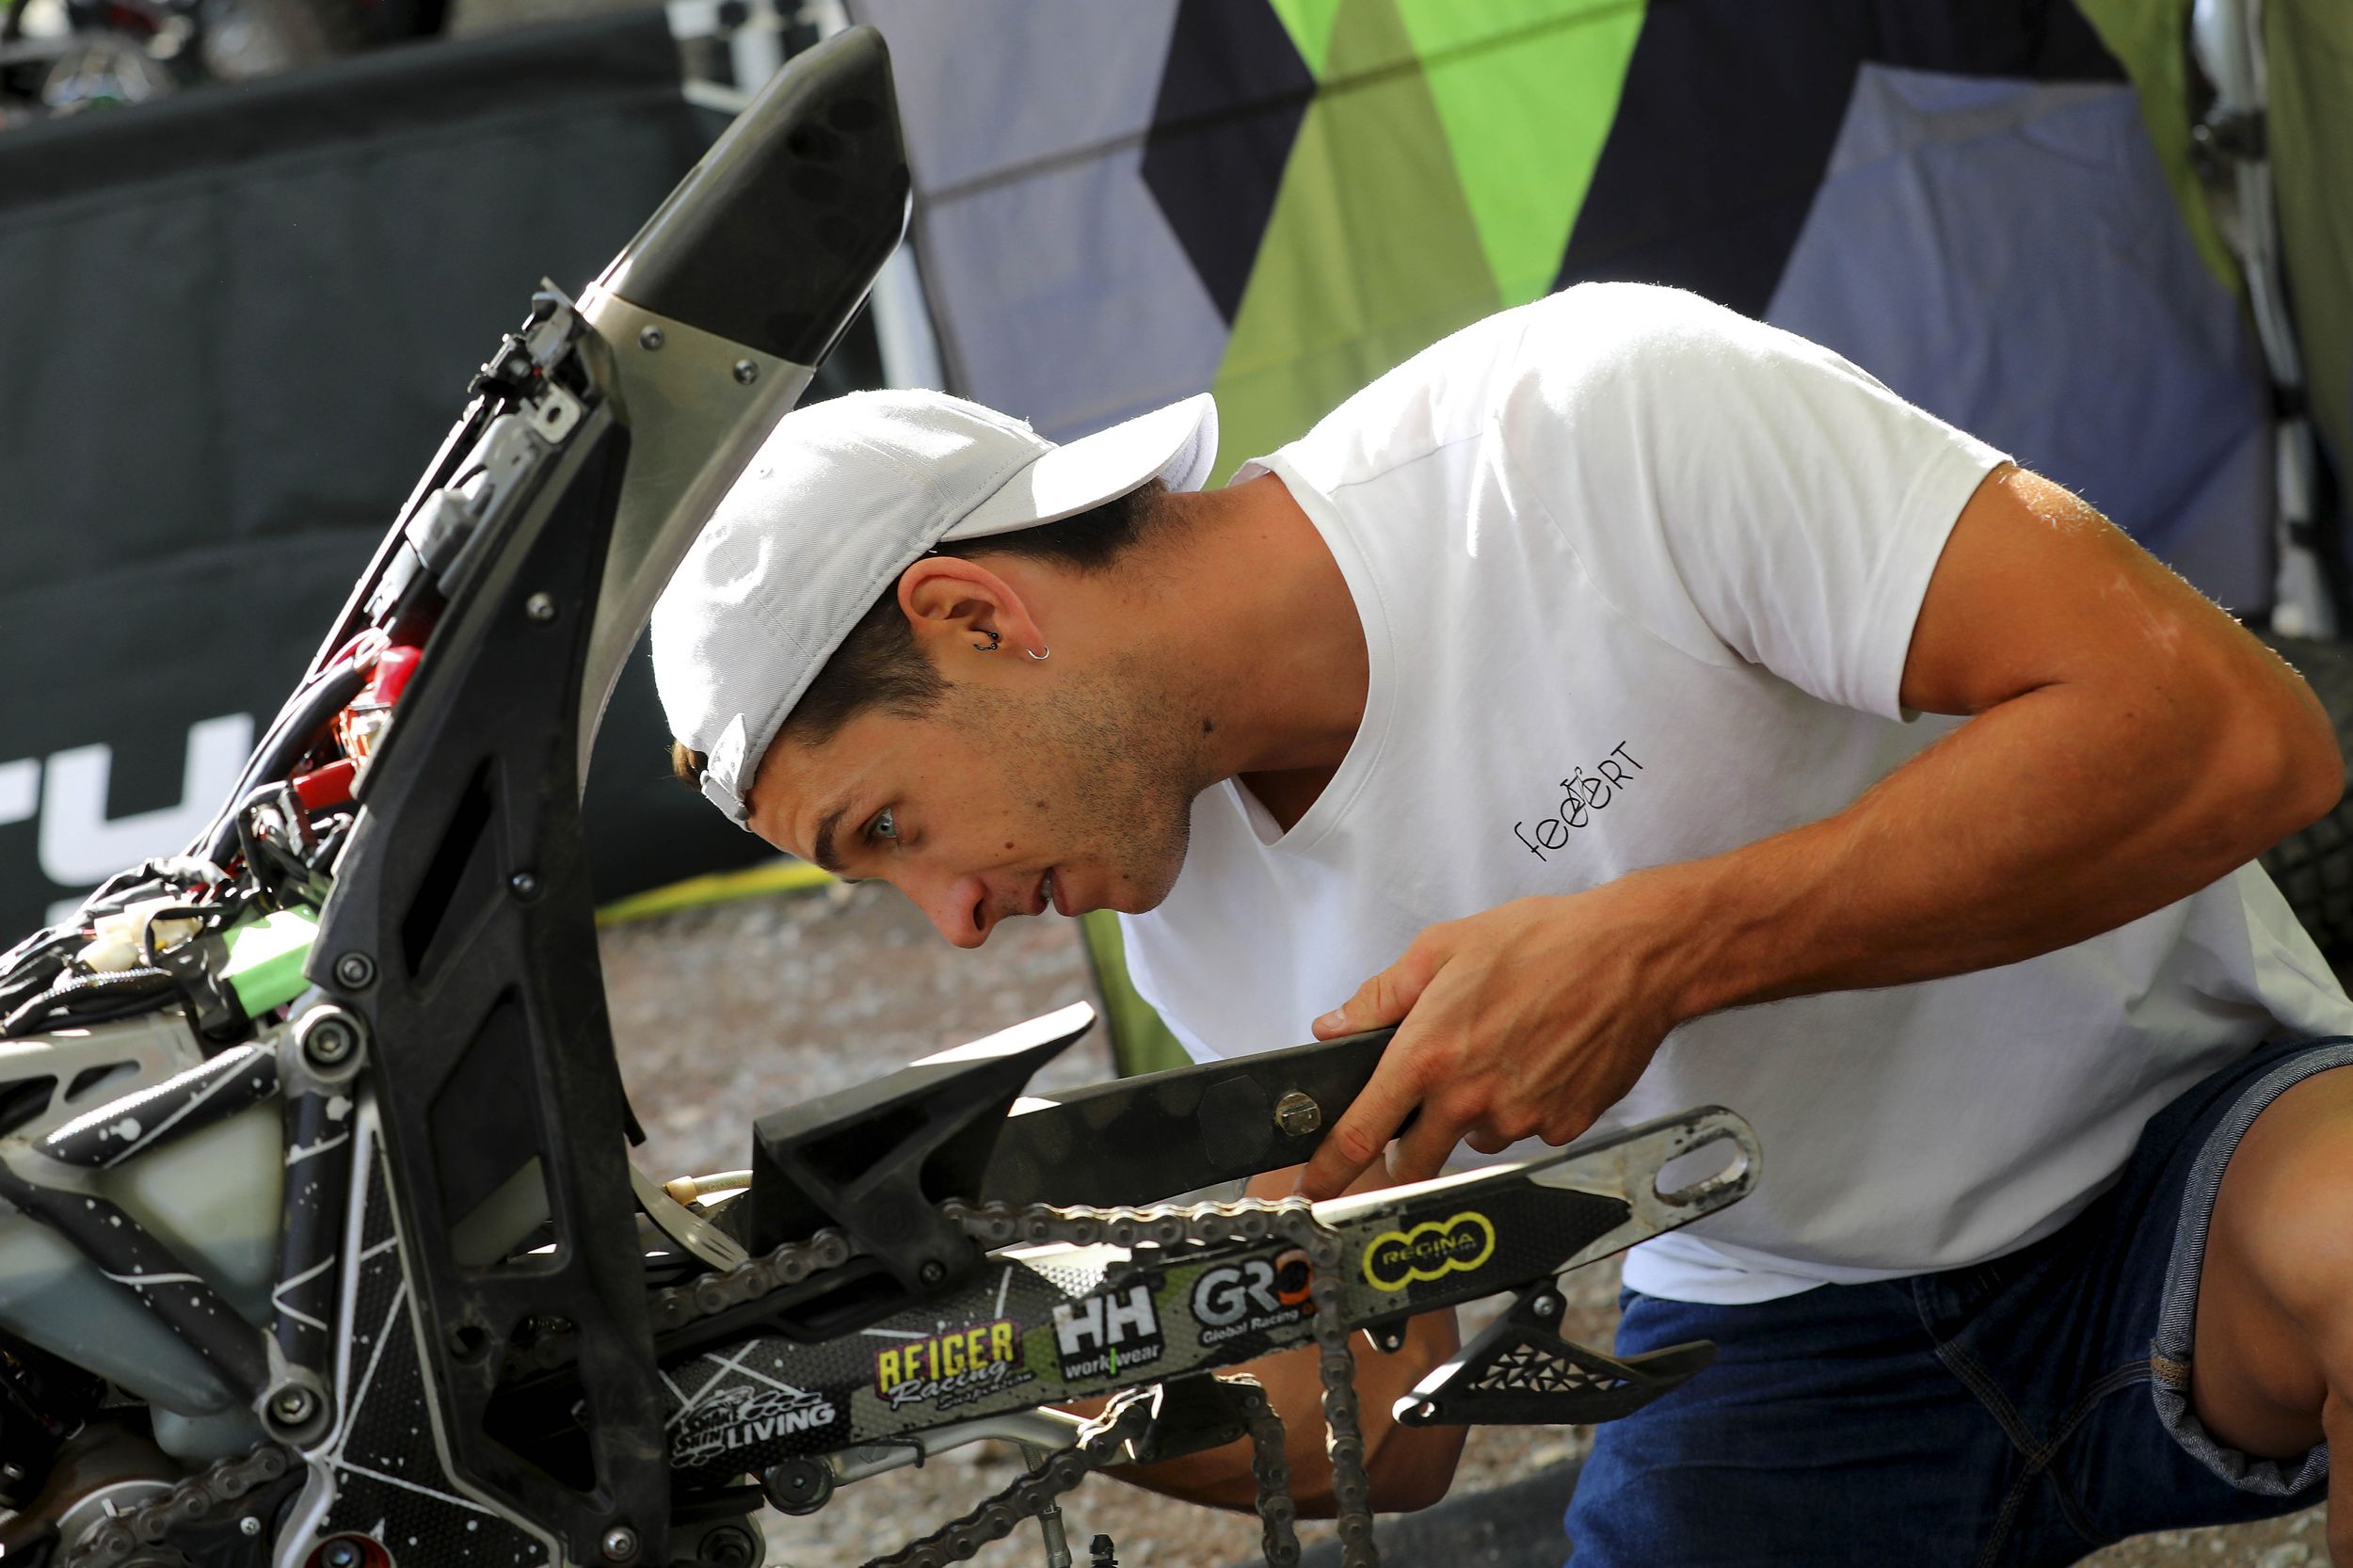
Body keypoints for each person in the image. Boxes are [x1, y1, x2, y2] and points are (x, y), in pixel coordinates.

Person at [648, 282, 2353, 1564]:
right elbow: (1373, 1430)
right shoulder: (1188, 913)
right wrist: (958, 1355)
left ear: (975, 614)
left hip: (2185, 1150)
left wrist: (1657, 949)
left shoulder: (1595, 425)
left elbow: (2237, 734)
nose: (953, 922)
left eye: (890, 827)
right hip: (1786, 1329)